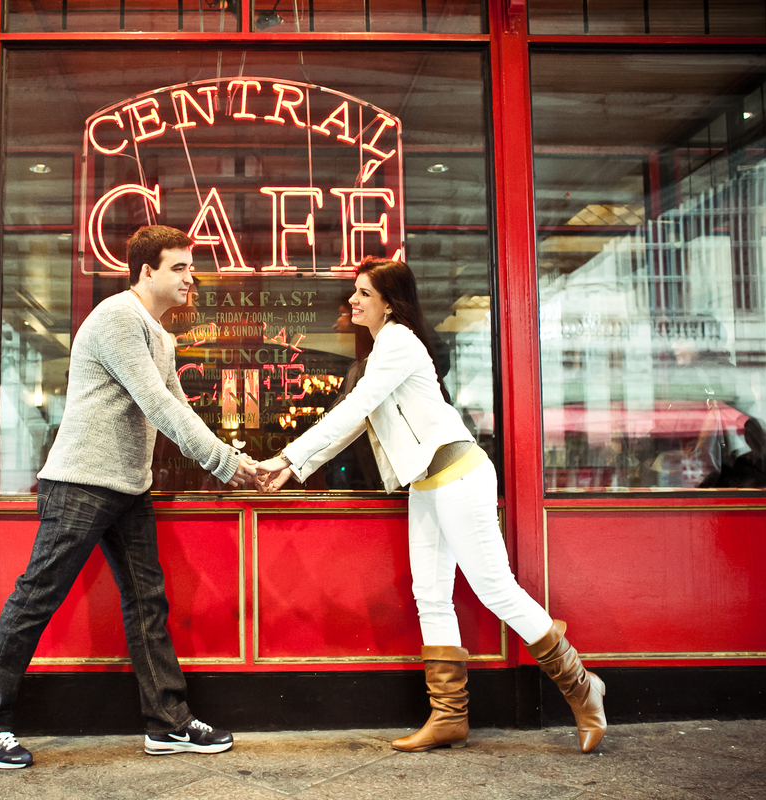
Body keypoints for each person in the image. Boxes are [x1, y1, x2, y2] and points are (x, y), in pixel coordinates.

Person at [254, 257, 607, 754]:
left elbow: (354, 409)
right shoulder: (380, 350)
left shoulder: (397, 342)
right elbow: (356, 421)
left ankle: (583, 686)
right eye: (354, 293)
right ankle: (448, 717)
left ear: (389, 303)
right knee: (431, 596)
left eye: (363, 294)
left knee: (495, 589)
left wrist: (290, 455)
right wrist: (293, 467)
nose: (352, 301)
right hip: (426, 485)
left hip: (459, 477)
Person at [0, 225, 257, 768]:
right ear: (147, 271)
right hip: (81, 482)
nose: (192, 278)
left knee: (148, 602)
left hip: (128, 485)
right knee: (36, 597)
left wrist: (228, 456)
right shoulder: (119, 317)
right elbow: (159, 406)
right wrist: (225, 464)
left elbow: (177, 406)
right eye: (180, 268)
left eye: (191, 267)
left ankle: (167, 723)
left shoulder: (160, 333)